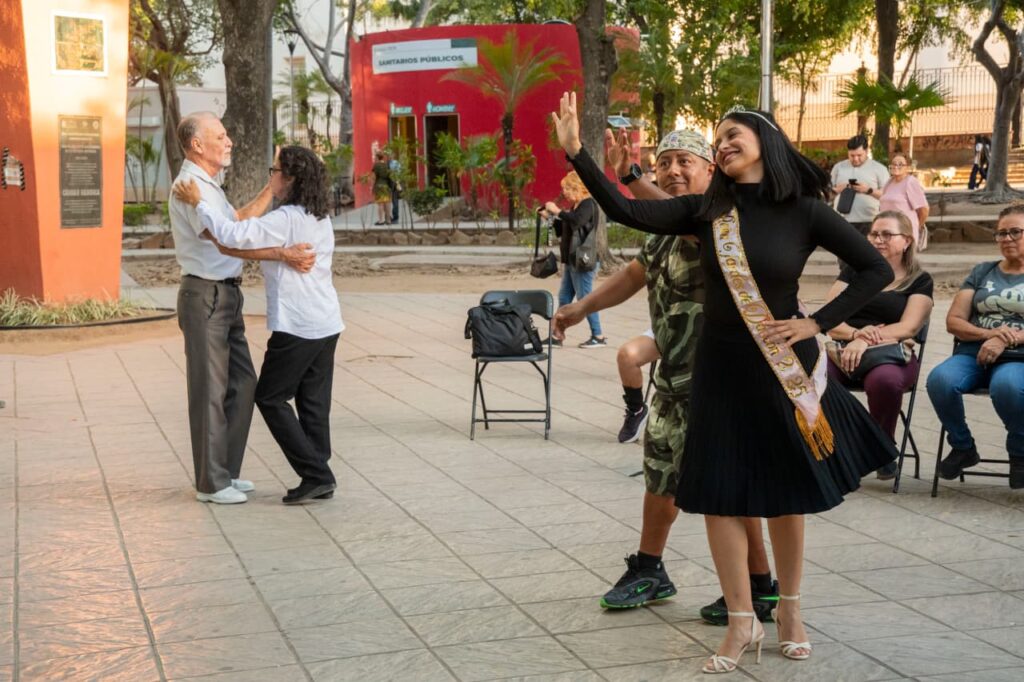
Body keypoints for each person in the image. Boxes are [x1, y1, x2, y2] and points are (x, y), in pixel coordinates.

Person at [552, 92, 897, 674]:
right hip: (719, 369)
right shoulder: (710, 210)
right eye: (718, 138)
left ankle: (788, 610)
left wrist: (818, 321)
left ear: (765, 139)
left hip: (780, 371)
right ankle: (741, 620)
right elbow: (624, 210)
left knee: (786, 497)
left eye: (733, 133)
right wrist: (577, 155)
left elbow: (877, 269)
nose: (723, 142)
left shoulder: (805, 211)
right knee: (719, 496)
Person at [554, 128, 780, 622]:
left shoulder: (719, 221)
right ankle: (649, 568)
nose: (673, 170)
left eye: (685, 161)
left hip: (720, 387)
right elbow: (634, 277)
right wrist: (579, 308)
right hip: (675, 383)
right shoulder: (663, 232)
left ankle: (761, 587)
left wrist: (626, 174)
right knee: (659, 479)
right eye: (664, 163)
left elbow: (685, 227)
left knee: (731, 489)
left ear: (711, 170)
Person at [174, 146, 345, 504]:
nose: (271, 176)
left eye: (275, 171)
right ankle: (318, 473)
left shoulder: (285, 220)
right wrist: (281, 253)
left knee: (269, 396)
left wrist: (198, 203)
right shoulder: (317, 217)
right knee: (313, 402)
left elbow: (231, 236)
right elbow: (238, 240)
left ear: (290, 179)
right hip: (327, 321)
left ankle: (317, 473)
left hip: (298, 325)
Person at [824, 210, 934, 480]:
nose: (878, 239)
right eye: (874, 233)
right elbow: (828, 318)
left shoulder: (919, 280)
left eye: (887, 234)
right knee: (814, 376)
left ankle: (882, 448)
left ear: (907, 240)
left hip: (891, 354)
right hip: (843, 350)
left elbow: (908, 327)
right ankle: (836, 446)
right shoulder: (853, 272)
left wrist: (863, 340)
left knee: (884, 381)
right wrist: (854, 336)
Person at [927, 205, 1024, 490]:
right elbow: (954, 321)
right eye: (1001, 233)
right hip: (973, 351)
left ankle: (1019, 452)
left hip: (1018, 356)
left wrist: (1008, 338)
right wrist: (989, 333)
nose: (1007, 238)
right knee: (940, 380)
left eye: (1015, 232)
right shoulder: (983, 271)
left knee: (1007, 386)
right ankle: (963, 446)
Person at [541, 172, 606, 348]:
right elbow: (565, 229)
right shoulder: (576, 206)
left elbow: (577, 221)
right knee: (564, 297)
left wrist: (557, 210)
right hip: (572, 260)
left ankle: (598, 336)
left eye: (567, 188)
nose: (565, 192)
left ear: (578, 188)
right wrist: (551, 218)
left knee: (586, 299)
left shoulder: (588, 204)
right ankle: (557, 335)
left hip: (583, 259)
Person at [831, 134, 889, 236]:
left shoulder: (879, 169)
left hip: (869, 220)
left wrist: (868, 190)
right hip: (842, 219)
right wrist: (838, 189)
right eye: (852, 156)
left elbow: (888, 196)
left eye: (859, 155)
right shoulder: (838, 167)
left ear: (866, 151)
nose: (856, 159)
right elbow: (828, 194)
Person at [879, 152, 930, 250]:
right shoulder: (889, 182)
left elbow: (924, 209)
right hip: (887, 231)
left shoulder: (910, 182)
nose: (896, 166)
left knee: (902, 263)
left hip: (903, 233)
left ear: (907, 167)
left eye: (900, 164)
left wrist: (916, 226)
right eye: (894, 163)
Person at [371, 151, 392, 225]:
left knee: (380, 204)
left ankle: (381, 220)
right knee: (387, 203)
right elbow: (390, 176)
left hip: (379, 186)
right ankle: (388, 220)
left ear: (377, 157)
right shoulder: (387, 165)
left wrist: (372, 187)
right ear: (383, 157)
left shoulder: (376, 166)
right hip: (386, 186)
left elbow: (374, 177)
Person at [388, 152, 402, 223]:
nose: (388, 156)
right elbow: (399, 173)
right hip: (394, 182)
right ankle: (393, 217)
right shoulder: (397, 163)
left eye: (389, 155)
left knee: (393, 200)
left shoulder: (392, 163)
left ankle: (394, 217)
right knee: (394, 200)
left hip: (392, 183)